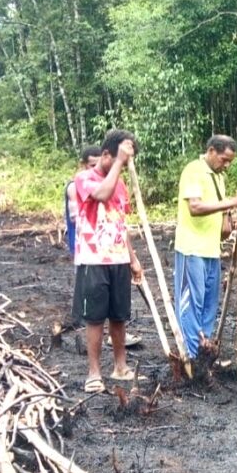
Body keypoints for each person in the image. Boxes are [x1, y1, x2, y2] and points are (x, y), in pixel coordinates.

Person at [72, 130, 143, 393]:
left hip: (119, 259)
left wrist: (133, 259)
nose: (121, 167)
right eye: (116, 160)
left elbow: (121, 224)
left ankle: (120, 366)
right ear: (105, 155)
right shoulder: (84, 179)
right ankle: (94, 372)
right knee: (95, 318)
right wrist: (118, 162)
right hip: (93, 259)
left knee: (119, 315)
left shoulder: (121, 185)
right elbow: (101, 194)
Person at [174, 135, 237, 359]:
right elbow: (195, 207)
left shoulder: (219, 178)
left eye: (230, 161)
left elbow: (222, 228)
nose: (226, 165)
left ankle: (204, 347)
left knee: (210, 303)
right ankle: (190, 353)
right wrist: (233, 202)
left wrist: (230, 219)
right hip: (191, 248)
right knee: (191, 302)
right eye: (224, 159)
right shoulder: (194, 170)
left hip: (211, 249)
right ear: (210, 151)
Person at [66, 145, 101, 328]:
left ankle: (89, 316)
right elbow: (76, 219)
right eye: (91, 166)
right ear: (83, 164)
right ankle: (79, 318)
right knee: (83, 277)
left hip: (95, 238)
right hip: (82, 239)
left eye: (97, 165)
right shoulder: (75, 186)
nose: (94, 170)